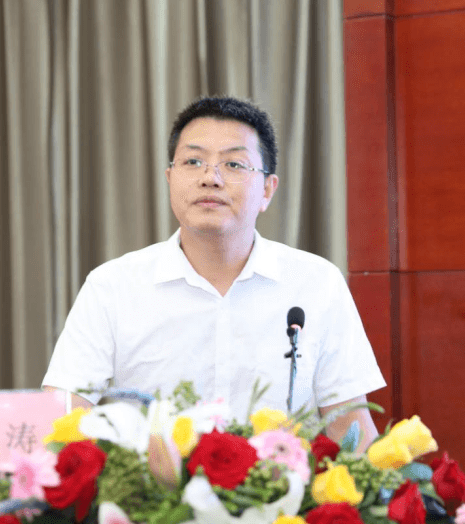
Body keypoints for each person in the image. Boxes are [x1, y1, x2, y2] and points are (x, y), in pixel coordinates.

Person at [42, 96, 385, 448]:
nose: (210, 178)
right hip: (151, 485)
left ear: (267, 190)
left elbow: (351, 431)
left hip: (282, 484)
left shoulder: (316, 284)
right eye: (193, 161)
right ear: (170, 178)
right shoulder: (112, 286)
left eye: (234, 164)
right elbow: (60, 421)